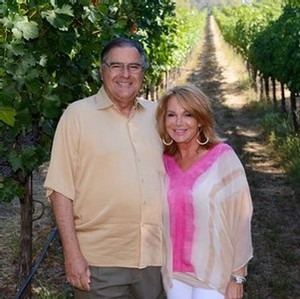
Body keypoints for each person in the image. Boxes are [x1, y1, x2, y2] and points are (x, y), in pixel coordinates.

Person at [44, 38, 167, 299]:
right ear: (102, 71)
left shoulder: (158, 116)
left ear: (143, 72)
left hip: (156, 260)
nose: (125, 74)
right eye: (116, 66)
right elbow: (59, 189)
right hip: (99, 264)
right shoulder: (77, 115)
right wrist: (72, 253)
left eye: (134, 66)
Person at [156, 85, 253, 299]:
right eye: (171, 115)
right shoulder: (163, 161)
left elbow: (241, 218)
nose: (178, 122)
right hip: (174, 274)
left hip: (214, 274)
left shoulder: (223, 158)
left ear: (201, 120)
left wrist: (237, 276)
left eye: (187, 115)